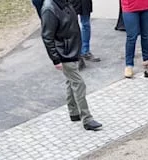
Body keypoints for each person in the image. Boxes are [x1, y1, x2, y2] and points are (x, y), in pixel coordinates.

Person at [41, 0, 104, 131]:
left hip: (72, 50)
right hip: (64, 53)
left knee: (71, 82)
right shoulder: (49, 8)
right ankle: (87, 119)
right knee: (79, 83)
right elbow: (47, 37)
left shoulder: (65, 3)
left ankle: (74, 112)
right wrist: (56, 59)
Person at [122, 0, 148, 78]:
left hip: (146, 6)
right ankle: (129, 65)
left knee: (146, 36)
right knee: (131, 37)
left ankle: (147, 62)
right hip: (130, 7)